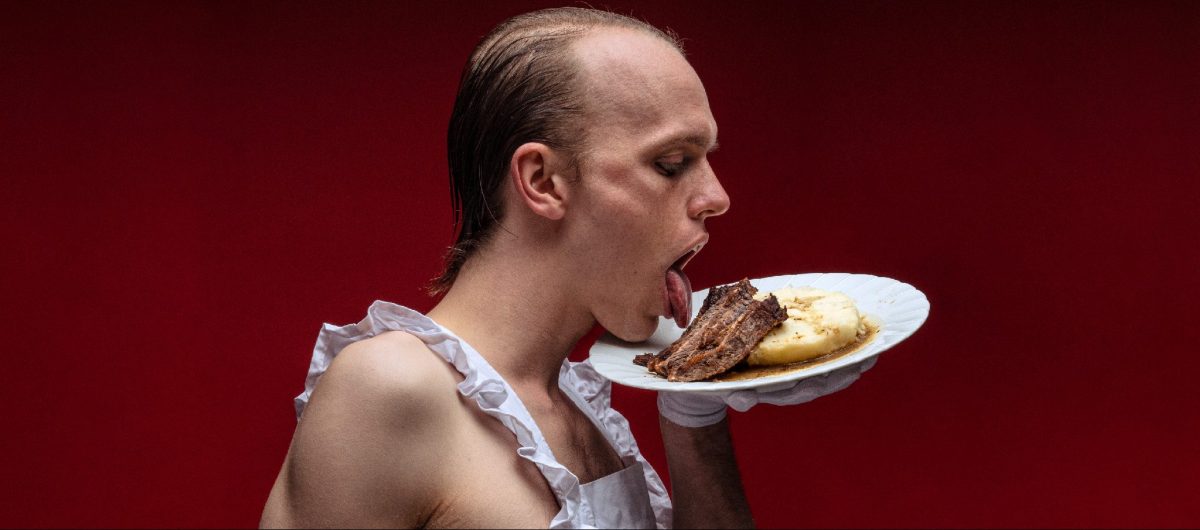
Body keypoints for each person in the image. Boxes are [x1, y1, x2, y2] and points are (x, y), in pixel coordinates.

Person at [260, 7, 872, 529]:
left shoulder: (580, 407)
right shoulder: (391, 386)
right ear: (543, 181)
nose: (716, 197)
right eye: (671, 162)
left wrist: (694, 408)